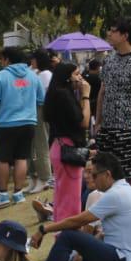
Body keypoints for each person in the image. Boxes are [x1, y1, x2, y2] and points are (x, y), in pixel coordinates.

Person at [32, 152, 131, 261]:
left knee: (67, 237)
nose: (90, 179)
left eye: (94, 175)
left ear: (107, 174)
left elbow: (77, 221)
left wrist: (44, 229)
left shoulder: (114, 194)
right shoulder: (127, 190)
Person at [0, 46, 45, 206]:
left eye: (2, 59)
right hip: (29, 123)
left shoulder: (0, 76)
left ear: (7, 59)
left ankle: (3, 195)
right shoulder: (32, 76)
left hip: (6, 123)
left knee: (3, 159)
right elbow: (41, 99)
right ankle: (18, 193)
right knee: (21, 157)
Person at [91, 17, 131, 185]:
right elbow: (102, 92)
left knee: (128, 175)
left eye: (113, 30)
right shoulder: (109, 60)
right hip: (106, 128)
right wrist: (98, 121)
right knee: (104, 175)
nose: (109, 33)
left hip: (126, 128)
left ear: (125, 35)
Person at [44, 62, 91, 223]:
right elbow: (84, 122)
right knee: (70, 200)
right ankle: (68, 237)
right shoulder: (64, 95)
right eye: (76, 74)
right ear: (67, 78)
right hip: (68, 150)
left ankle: (62, 234)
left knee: (61, 196)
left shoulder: (57, 94)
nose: (80, 78)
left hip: (59, 147)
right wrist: (86, 95)